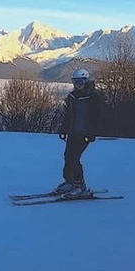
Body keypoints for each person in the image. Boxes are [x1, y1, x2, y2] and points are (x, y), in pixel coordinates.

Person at [54, 68, 101, 197]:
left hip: (84, 133)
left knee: (74, 158)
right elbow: (68, 115)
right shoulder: (73, 96)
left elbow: (96, 117)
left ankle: (80, 185)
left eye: (80, 82)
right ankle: (69, 182)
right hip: (73, 132)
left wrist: (91, 133)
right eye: (75, 82)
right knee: (67, 156)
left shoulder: (93, 97)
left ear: (86, 81)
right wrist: (63, 129)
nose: (77, 85)